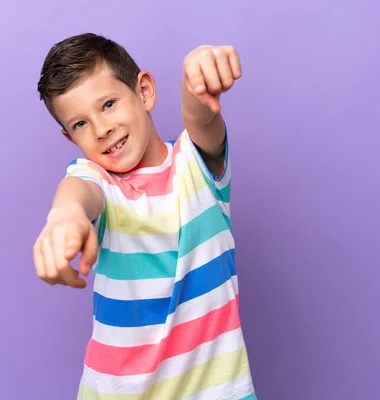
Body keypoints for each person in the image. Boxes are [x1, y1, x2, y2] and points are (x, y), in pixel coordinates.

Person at [34, 32, 256, 400]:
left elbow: (200, 116)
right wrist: (64, 216)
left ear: (145, 91)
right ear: (70, 138)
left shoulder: (195, 164)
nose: (101, 129)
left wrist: (195, 76)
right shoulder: (99, 182)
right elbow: (77, 192)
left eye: (108, 104)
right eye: (80, 124)